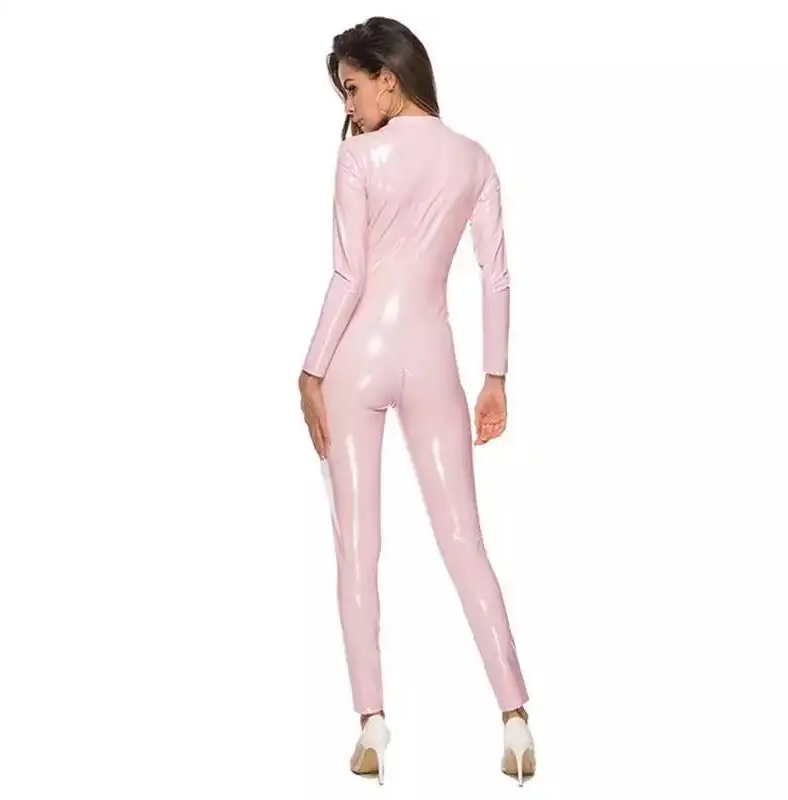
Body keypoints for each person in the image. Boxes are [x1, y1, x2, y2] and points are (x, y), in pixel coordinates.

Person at [297, 16, 536, 785]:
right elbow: (495, 276)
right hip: (434, 358)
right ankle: (516, 719)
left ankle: (371, 724)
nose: (349, 105)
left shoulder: (358, 157)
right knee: (465, 539)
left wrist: (309, 371)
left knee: (356, 546)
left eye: (353, 87)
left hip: (354, 359)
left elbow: (349, 276)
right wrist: (495, 376)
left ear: (389, 79)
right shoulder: (475, 159)